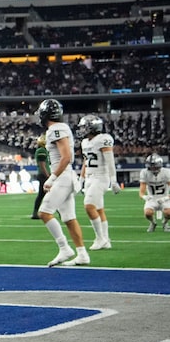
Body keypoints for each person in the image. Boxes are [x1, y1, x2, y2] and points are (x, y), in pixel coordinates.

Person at [35, 99, 90, 267]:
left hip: (63, 177)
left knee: (44, 212)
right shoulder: (60, 128)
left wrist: (52, 178)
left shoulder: (56, 129)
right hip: (66, 176)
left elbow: (67, 157)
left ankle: (64, 248)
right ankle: (82, 254)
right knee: (68, 218)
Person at [77, 114, 121, 249]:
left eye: (84, 127)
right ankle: (106, 240)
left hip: (101, 176)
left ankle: (100, 238)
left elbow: (110, 161)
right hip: (90, 177)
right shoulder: (85, 142)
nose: (82, 129)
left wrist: (114, 181)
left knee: (89, 206)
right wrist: (81, 179)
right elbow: (86, 161)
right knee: (99, 209)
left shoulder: (103, 139)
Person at [139, 154, 170, 232]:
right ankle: (153, 223)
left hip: (165, 196)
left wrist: (166, 198)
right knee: (147, 213)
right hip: (152, 197)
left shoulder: (166, 172)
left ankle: (165, 223)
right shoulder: (144, 172)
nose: (152, 168)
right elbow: (141, 191)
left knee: (169, 213)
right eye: (151, 165)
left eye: (154, 165)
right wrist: (144, 197)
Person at [31, 134, 49, 219]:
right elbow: (42, 165)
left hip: (43, 175)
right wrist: (48, 176)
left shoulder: (43, 150)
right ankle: (37, 212)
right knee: (44, 194)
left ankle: (38, 212)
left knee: (42, 195)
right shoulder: (41, 150)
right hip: (43, 175)